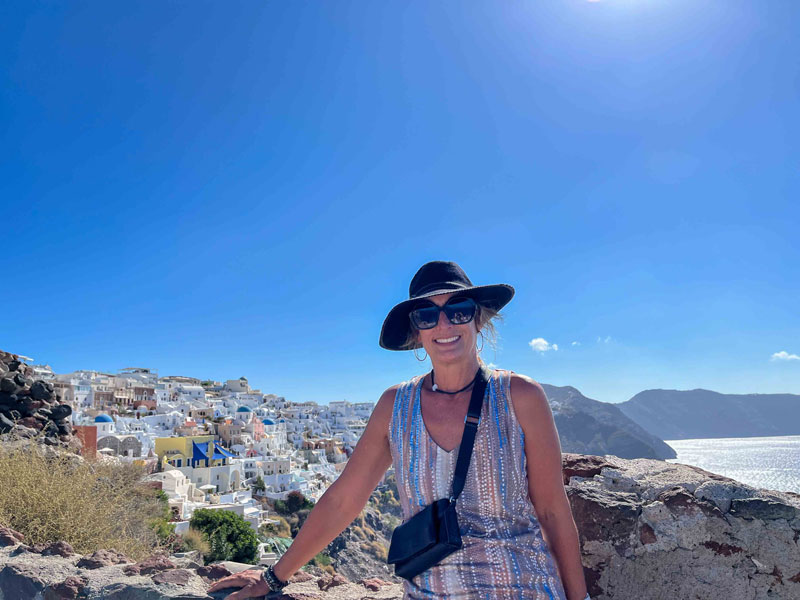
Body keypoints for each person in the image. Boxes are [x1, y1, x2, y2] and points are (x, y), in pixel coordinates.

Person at [209, 261, 590, 600]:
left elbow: (553, 510)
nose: (443, 324)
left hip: (521, 585)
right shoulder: (397, 406)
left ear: (478, 319)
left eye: (457, 310)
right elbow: (344, 499)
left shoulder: (520, 396)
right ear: (417, 332)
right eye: (427, 315)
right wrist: (274, 579)